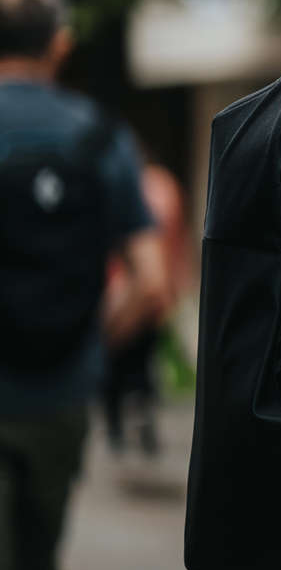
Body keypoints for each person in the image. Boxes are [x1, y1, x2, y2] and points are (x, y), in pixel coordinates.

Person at [0, 0, 167, 570]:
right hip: (61, 397)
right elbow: (149, 278)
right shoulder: (97, 136)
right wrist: (90, 347)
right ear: (61, 44)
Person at [100, 159, 191, 461]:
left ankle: (117, 423)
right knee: (142, 357)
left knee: (115, 360)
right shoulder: (166, 185)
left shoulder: (117, 183)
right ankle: (140, 402)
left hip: (121, 286)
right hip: (155, 286)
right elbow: (177, 239)